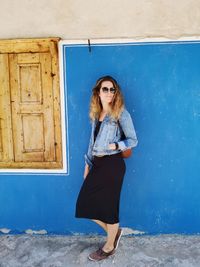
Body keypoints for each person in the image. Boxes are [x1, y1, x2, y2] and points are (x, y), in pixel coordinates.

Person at [75, 75, 138, 262]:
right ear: (98, 92)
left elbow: (133, 140)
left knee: (110, 207)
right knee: (84, 204)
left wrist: (116, 146)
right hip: (98, 164)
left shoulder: (121, 113)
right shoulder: (96, 114)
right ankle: (114, 232)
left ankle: (109, 247)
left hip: (113, 165)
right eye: (105, 89)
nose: (109, 93)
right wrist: (87, 164)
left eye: (112, 89)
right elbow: (91, 142)